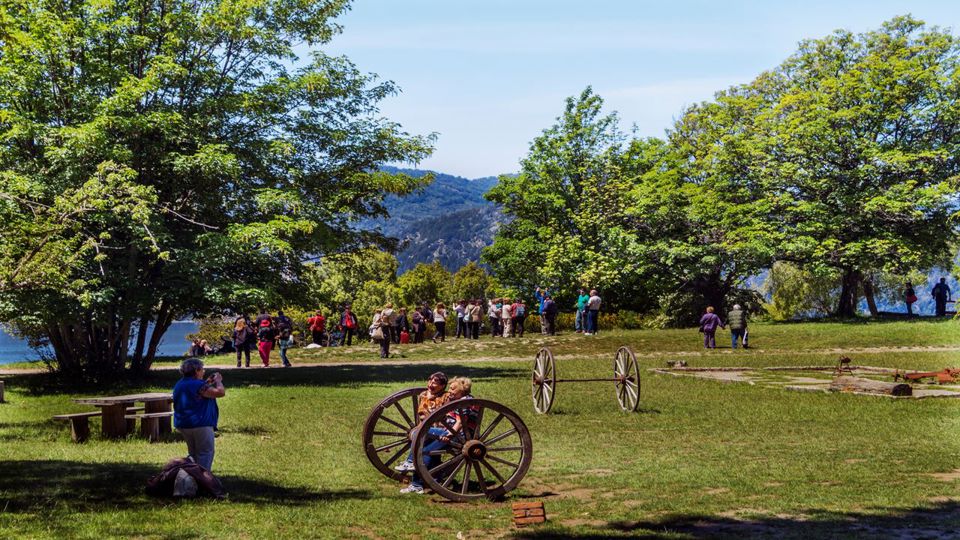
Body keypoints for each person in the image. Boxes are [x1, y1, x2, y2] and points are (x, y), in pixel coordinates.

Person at [400, 376, 477, 494]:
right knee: (424, 448)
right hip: (450, 430)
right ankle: (428, 480)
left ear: (461, 390)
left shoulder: (465, 402)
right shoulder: (457, 399)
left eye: (452, 389)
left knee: (421, 434)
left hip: (460, 435)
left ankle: (412, 466)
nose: (449, 391)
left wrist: (450, 434)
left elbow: (461, 422)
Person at [173, 358, 225, 472]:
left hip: (183, 424)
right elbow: (220, 393)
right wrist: (218, 381)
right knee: (205, 453)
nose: (203, 371)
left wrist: (207, 382)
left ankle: (190, 478)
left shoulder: (180, 383)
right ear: (197, 370)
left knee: (193, 453)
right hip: (200, 424)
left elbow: (199, 391)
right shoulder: (198, 384)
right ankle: (202, 479)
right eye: (202, 369)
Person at [394, 372, 451, 475]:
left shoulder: (446, 397)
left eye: (435, 383)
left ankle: (412, 462)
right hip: (427, 428)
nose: (430, 384)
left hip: (441, 430)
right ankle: (433, 476)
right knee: (422, 436)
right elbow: (421, 416)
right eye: (429, 381)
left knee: (422, 435)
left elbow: (445, 414)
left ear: (442, 386)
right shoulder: (423, 395)